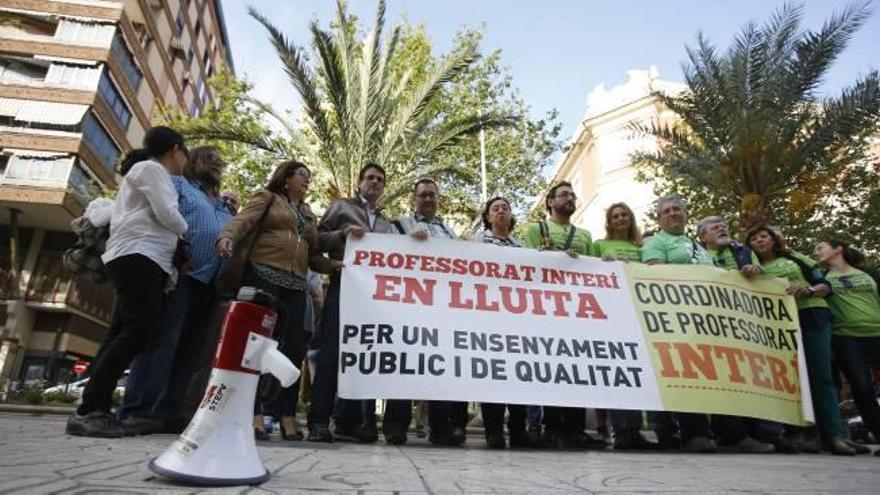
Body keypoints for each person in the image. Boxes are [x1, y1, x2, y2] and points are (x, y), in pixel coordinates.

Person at [66, 126, 189, 437]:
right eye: (185, 153)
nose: (185, 160)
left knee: (122, 332)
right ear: (175, 149)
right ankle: (91, 408)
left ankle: (93, 406)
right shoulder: (151, 168)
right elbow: (168, 214)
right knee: (140, 331)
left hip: (138, 257)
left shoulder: (148, 171)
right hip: (140, 256)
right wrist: (184, 227)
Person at [218, 160, 338, 441]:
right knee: (258, 346)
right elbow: (243, 220)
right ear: (285, 178)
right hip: (263, 274)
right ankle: (253, 412)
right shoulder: (267, 197)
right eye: (302, 176)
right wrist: (226, 236)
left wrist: (333, 266)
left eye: (309, 177)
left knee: (294, 348)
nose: (307, 181)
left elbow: (313, 252)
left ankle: (287, 414)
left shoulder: (307, 213)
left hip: (296, 284)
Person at [118, 146, 232, 435]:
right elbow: (162, 215)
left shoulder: (222, 203)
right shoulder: (178, 185)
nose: (217, 163)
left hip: (209, 285)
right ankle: (139, 410)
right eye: (210, 158)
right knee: (162, 344)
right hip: (179, 277)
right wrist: (179, 255)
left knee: (191, 352)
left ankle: (170, 412)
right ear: (192, 161)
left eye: (220, 161)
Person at [747, 225, 856, 455]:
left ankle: (835, 436)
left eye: (763, 236)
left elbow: (825, 285)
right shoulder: (753, 269)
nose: (759, 240)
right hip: (777, 324)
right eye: (754, 239)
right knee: (788, 379)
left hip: (811, 315)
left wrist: (807, 290)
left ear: (774, 239)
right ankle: (803, 434)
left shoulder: (795, 258)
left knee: (820, 376)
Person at [308, 163, 393, 443]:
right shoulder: (341, 206)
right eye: (370, 178)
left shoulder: (386, 224)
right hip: (344, 286)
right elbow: (316, 241)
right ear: (359, 182)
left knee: (364, 355)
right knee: (331, 353)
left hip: (375, 296)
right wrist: (342, 235)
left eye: (380, 179)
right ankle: (319, 421)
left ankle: (349, 422)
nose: (375, 182)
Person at [523, 181, 605, 450]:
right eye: (563, 195)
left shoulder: (585, 236)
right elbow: (528, 263)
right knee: (551, 368)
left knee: (576, 368)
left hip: (577, 312)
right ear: (550, 201)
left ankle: (575, 429)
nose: (570, 198)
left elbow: (595, 270)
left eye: (572, 195)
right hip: (546, 309)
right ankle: (552, 428)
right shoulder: (537, 230)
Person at [390, 178, 464, 446]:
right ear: (414, 199)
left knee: (440, 367)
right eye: (423, 195)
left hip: (440, 310)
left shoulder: (449, 233)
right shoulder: (399, 225)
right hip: (408, 305)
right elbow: (385, 255)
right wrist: (408, 243)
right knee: (402, 365)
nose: (428, 199)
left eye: (433, 195)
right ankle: (396, 427)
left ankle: (441, 429)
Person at [641, 195, 717, 453]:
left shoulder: (699, 248)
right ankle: (686, 433)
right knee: (681, 374)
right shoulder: (656, 243)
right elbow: (658, 276)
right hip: (673, 320)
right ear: (660, 218)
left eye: (677, 209)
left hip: (704, 320)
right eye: (667, 211)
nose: (673, 213)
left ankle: (716, 433)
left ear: (686, 214)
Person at [697, 216, 777, 454]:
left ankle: (744, 434)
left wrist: (756, 271)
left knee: (742, 378)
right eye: (715, 227)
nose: (722, 228)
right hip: (706, 323)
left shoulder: (743, 252)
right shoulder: (695, 254)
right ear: (702, 237)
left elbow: (762, 279)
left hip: (741, 326)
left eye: (724, 226)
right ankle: (729, 434)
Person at [472, 196, 538, 449]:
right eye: (495, 208)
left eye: (505, 208)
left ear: (511, 216)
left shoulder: (521, 248)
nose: (501, 211)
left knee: (518, 375)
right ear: (487, 217)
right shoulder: (474, 243)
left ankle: (518, 430)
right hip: (487, 317)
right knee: (493, 375)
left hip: (517, 320)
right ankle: (494, 431)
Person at [590, 202, 657, 450]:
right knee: (618, 374)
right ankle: (620, 431)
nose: (620, 219)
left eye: (624, 215)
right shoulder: (599, 246)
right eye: (615, 216)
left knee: (637, 373)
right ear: (609, 221)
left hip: (638, 315)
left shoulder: (641, 248)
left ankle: (635, 430)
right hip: (610, 316)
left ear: (631, 219)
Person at [814, 239, 880, 453]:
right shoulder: (822, 279)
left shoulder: (868, 273)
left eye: (820, 248)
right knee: (862, 388)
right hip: (846, 338)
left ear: (838, 249)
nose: (816, 253)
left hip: (877, 332)